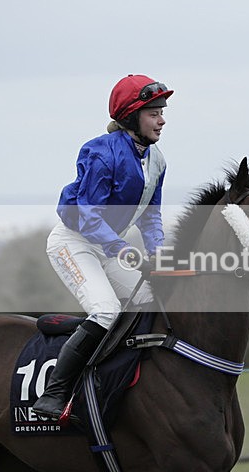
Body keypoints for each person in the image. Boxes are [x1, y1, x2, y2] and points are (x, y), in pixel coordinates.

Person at [33, 74, 173, 421]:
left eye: (162, 112)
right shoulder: (99, 151)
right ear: (130, 117)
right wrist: (121, 249)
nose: (162, 120)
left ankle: (114, 379)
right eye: (154, 113)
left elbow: (150, 218)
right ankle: (55, 393)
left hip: (109, 246)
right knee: (108, 311)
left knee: (147, 304)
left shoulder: (158, 161)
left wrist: (159, 255)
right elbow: (88, 215)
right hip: (74, 242)